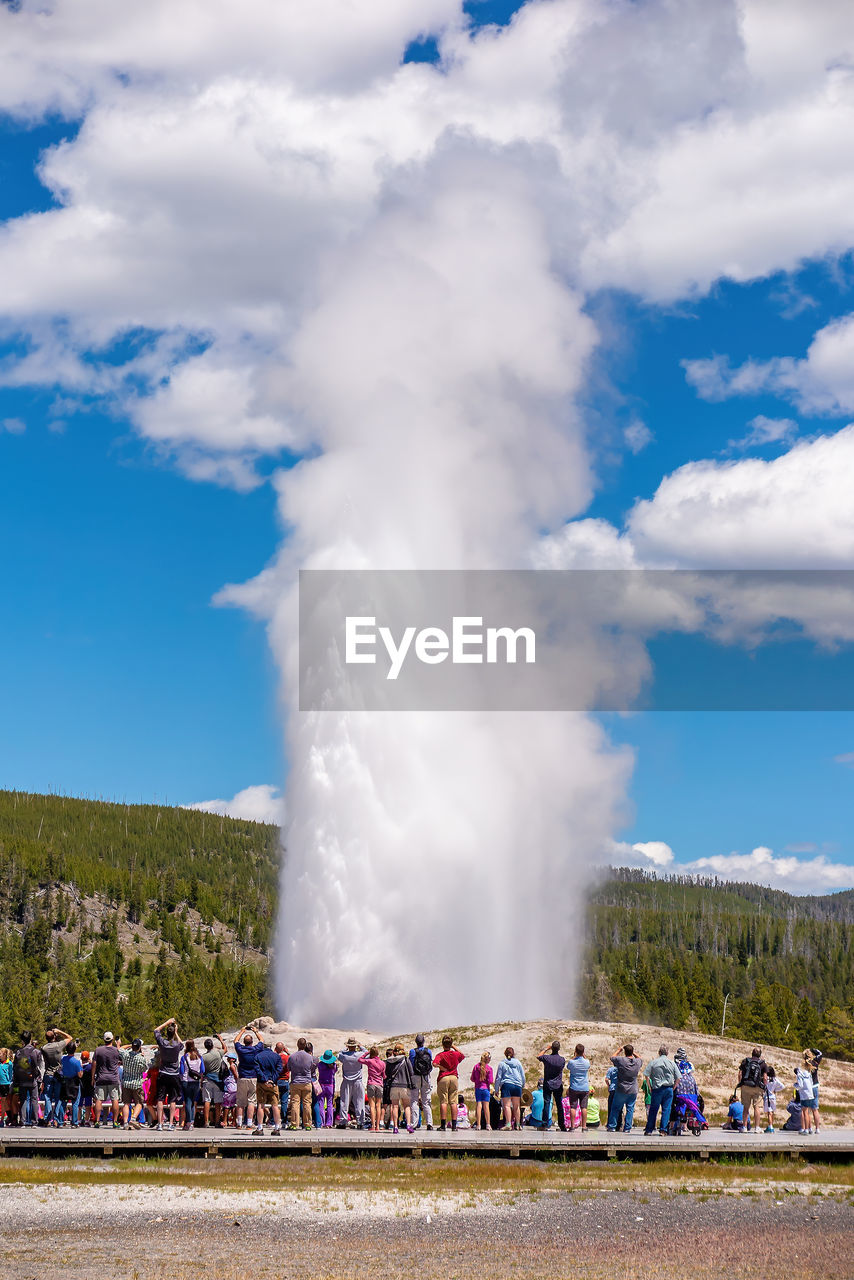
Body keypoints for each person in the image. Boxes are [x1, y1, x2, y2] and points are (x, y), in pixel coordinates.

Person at [232, 1024, 268, 1130]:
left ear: (244, 1042)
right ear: (252, 1042)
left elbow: (235, 1041)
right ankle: (249, 1124)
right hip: (253, 1077)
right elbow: (262, 1040)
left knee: (240, 1102)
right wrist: (256, 1031)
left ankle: (239, 1124)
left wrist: (242, 1031)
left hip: (242, 1077)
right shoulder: (256, 1049)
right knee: (251, 1101)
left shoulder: (241, 1050)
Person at [153, 1018, 184, 1131]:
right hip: (174, 1074)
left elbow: (156, 1030)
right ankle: (171, 1123)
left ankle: (160, 1123)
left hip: (163, 1073)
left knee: (160, 1099)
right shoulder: (176, 1045)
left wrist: (166, 1022)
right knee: (172, 1100)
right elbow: (182, 1044)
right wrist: (176, 1032)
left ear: (166, 1033)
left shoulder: (162, 1043)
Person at [250, 1039, 284, 1135]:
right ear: (271, 1047)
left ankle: (260, 1128)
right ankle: (277, 1128)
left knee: (261, 1105)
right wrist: (272, 1080)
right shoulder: (277, 1056)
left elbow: (257, 1069)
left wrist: (265, 1079)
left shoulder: (258, 1056)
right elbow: (279, 1069)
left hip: (261, 1083)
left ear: (263, 1047)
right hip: (273, 1084)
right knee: (275, 1106)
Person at [606, 1044, 643, 1133]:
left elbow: (612, 1057)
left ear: (625, 1052)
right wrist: (633, 1052)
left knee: (615, 1108)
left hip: (622, 1088)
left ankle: (612, 1126)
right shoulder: (637, 1062)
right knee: (630, 1108)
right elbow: (640, 1058)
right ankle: (627, 1128)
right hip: (633, 1088)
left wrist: (619, 1050)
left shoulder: (621, 1060)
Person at [643, 1045, 678, 1136]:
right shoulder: (672, 1063)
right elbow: (678, 1078)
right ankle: (663, 1130)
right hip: (668, 1088)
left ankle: (649, 1130)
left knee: (653, 1110)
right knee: (666, 1110)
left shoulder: (653, 1062)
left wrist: (649, 1086)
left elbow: (646, 1074)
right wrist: (673, 1087)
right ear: (667, 1053)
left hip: (657, 1089)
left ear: (659, 1052)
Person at [433, 1036, 465, 1132]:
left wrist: (440, 1067)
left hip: (444, 1077)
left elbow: (434, 1064)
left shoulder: (440, 1055)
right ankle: (454, 1126)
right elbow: (462, 1055)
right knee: (453, 1102)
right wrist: (453, 1046)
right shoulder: (455, 1054)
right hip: (454, 1077)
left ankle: (443, 1125)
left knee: (443, 1101)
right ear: (451, 1044)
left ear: (442, 1044)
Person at [40, 1028, 72, 1126]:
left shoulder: (43, 1048)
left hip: (48, 1074)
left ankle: (47, 1119)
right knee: (58, 1097)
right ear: (54, 1037)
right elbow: (70, 1038)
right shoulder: (59, 1045)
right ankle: (57, 1119)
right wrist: (59, 1031)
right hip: (58, 1074)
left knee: (48, 1097)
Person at [92, 1031, 122, 1129]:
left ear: (104, 1039)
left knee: (99, 1100)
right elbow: (121, 1058)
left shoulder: (98, 1050)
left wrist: (93, 1077)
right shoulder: (116, 1050)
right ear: (112, 1039)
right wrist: (118, 1046)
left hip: (101, 1078)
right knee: (115, 1100)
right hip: (113, 1078)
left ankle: (97, 1121)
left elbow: (94, 1064)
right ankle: (115, 1121)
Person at [286, 1037, 317, 1130]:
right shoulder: (310, 1057)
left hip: (295, 1082)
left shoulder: (292, 1056)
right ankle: (307, 1124)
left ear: (297, 1045)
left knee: (295, 1103)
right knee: (307, 1103)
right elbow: (312, 1068)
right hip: (307, 1082)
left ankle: (294, 1124)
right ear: (305, 1045)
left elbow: (289, 1068)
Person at [13, 1031, 43, 1127]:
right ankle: (34, 1122)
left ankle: (22, 1121)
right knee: (34, 1100)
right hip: (33, 1079)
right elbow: (39, 1066)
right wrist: (39, 1078)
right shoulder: (36, 1051)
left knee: (23, 1100)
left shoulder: (18, 1052)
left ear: (22, 1040)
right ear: (30, 1039)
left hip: (22, 1079)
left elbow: (15, 1067)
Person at [385, 1043, 416, 1134]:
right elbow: (411, 1073)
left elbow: (387, 1073)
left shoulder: (389, 1061)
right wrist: (413, 1085)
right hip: (405, 1085)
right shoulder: (406, 1060)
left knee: (394, 1106)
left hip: (394, 1086)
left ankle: (395, 1127)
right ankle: (409, 1125)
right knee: (406, 1106)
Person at [537, 1041, 567, 1132]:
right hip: (558, 1084)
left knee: (547, 1103)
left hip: (548, 1083)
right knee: (559, 1105)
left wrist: (546, 1049)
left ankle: (545, 1124)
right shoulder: (562, 1060)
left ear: (552, 1048)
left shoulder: (547, 1058)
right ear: (559, 1049)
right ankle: (562, 1125)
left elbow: (538, 1056)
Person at [735, 1047, 767, 1134]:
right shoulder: (763, 1064)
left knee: (746, 1108)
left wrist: (741, 1084)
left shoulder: (745, 1061)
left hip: (746, 1086)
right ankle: (757, 1127)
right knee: (756, 1107)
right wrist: (764, 1086)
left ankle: (744, 1127)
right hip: (757, 1087)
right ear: (760, 1054)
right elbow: (765, 1078)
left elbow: (740, 1074)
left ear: (752, 1053)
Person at [494, 1046, 525, 1131]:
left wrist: (496, 1089)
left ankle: (508, 1124)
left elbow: (498, 1077)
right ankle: (518, 1124)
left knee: (507, 1106)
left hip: (507, 1084)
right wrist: (522, 1086)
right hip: (517, 1085)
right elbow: (522, 1075)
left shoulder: (502, 1063)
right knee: (516, 1106)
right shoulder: (518, 1063)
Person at [119, 1037, 148, 1129]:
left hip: (126, 1083)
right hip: (136, 1083)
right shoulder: (141, 1058)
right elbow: (144, 1069)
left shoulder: (125, 1055)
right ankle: (133, 1118)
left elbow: (120, 1048)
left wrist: (129, 1044)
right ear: (139, 1047)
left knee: (126, 1103)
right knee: (139, 1102)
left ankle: (125, 1122)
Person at [337, 1038, 365, 1129]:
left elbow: (338, 1054)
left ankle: (343, 1121)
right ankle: (360, 1121)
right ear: (355, 1046)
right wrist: (361, 1047)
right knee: (359, 1101)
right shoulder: (360, 1055)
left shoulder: (344, 1056)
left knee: (344, 1101)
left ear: (348, 1046)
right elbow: (367, 1052)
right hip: (358, 1081)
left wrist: (345, 1049)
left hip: (347, 1081)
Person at [201, 1035, 228, 1128]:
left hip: (207, 1079)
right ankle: (217, 1122)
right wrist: (221, 1039)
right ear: (212, 1045)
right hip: (218, 1080)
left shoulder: (203, 1057)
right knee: (218, 1103)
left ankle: (206, 1122)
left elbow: (202, 1070)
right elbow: (225, 1049)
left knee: (207, 1101)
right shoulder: (218, 1053)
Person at [408, 1034, 434, 1131]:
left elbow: (411, 1064)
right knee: (426, 1101)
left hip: (415, 1076)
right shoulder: (429, 1051)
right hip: (426, 1077)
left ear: (416, 1042)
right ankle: (429, 1124)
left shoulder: (412, 1052)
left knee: (414, 1100)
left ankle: (414, 1123)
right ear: (423, 1041)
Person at [359, 1045, 386, 1132]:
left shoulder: (370, 1061)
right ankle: (378, 1126)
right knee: (378, 1105)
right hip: (379, 1084)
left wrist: (366, 1053)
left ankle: (373, 1125)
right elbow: (384, 1076)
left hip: (371, 1083)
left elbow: (360, 1060)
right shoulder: (382, 1063)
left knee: (372, 1105)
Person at [179, 1039, 205, 1130]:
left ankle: (188, 1123)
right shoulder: (199, 1057)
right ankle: (192, 1122)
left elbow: (181, 1071)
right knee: (193, 1103)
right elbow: (203, 1070)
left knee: (187, 1102)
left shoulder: (184, 1057)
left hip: (186, 1081)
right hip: (196, 1082)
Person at [57, 1040, 83, 1128]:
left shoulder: (63, 1059)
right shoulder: (76, 1062)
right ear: (74, 1050)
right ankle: (74, 1122)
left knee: (63, 1102)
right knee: (75, 1103)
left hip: (65, 1082)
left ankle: (60, 1122)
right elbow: (80, 1075)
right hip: (74, 1083)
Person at [567, 1044, 591, 1133]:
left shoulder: (572, 1062)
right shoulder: (586, 1062)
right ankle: (584, 1127)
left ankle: (572, 1127)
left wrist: (574, 1056)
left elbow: (568, 1067)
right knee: (584, 1107)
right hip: (584, 1087)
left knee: (573, 1107)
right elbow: (588, 1065)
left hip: (574, 1086)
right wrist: (583, 1056)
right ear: (583, 1052)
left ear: (575, 1051)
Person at [471, 1052, 493, 1131]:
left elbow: (472, 1078)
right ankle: (488, 1124)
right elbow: (491, 1080)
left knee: (479, 1105)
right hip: (486, 1089)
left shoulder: (476, 1067)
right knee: (486, 1107)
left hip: (478, 1088)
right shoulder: (489, 1068)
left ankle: (478, 1124)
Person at [317, 1050, 339, 1128]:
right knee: (330, 1104)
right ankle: (329, 1123)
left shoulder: (320, 1065)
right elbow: (335, 1071)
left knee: (321, 1103)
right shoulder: (334, 1066)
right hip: (330, 1086)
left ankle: (321, 1122)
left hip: (321, 1085)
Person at [795, 1063, 819, 1133]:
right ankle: (810, 1128)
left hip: (804, 1095)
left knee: (805, 1112)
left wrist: (795, 1085)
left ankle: (806, 1129)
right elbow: (811, 1083)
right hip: (810, 1094)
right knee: (809, 1111)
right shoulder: (808, 1074)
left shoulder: (800, 1074)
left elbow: (800, 1085)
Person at [762, 1066, 784, 1133]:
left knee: (769, 1112)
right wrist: (775, 1090)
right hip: (773, 1097)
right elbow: (782, 1086)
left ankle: (770, 1126)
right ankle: (770, 1126)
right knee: (772, 1112)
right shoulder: (775, 1079)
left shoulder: (766, 1079)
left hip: (767, 1097)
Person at [275, 1043, 291, 1124]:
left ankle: (273, 1121)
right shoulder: (287, 1057)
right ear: (283, 1049)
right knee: (284, 1102)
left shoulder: (275, 1057)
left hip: (276, 1080)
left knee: (274, 1102)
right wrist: (287, 1052)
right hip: (285, 1081)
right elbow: (293, 1060)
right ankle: (284, 1121)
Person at [79, 1050, 94, 1126]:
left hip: (80, 1088)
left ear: (81, 1058)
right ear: (88, 1058)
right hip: (89, 1088)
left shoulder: (79, 1067)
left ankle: (78, 1120)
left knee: (79, 1105)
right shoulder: (90, 1067)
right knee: (88, 1105)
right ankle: (87, 1120)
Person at [604, 1063, 619, 1130]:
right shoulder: (621, 1069)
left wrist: (609, 1085)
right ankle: (618, 1124)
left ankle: (610, 1123)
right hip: (619, 1089)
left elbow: (606, 1079)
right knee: (619, 1108)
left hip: (612, 1089)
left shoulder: (611, 1069)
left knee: (610, 1107)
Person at [0, 1049, 12, 1127]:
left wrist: (9, 1082)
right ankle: (10, 1115)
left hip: (5, 1084)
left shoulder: (9, 1063)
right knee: (3, 1102)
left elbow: (10, 1074)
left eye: (0, 1053)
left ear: (4, 1054)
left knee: (3, 1101)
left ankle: (2, 1119)